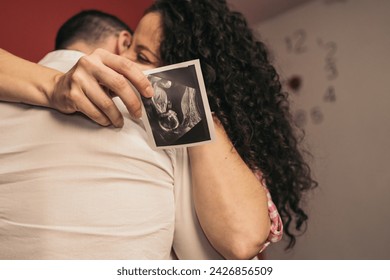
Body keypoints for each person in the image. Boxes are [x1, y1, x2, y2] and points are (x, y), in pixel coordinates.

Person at [0, 0, 315, 259]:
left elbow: (241, 239)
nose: (129, 67)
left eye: (143, 58)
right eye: (133, 53)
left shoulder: (178, 117)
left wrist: (187, 99)